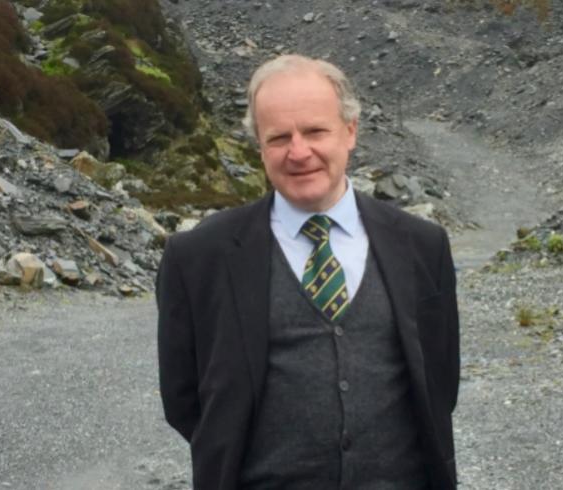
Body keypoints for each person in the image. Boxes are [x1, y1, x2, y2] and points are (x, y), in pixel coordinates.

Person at [156, 54, 460, 490]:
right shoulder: (199, 257)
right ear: (259, 146)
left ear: (350, 131)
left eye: (315, 131)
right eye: (279, 137)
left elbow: (439, 384)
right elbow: (184, 401)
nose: (299, 152)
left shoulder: (423, 246)